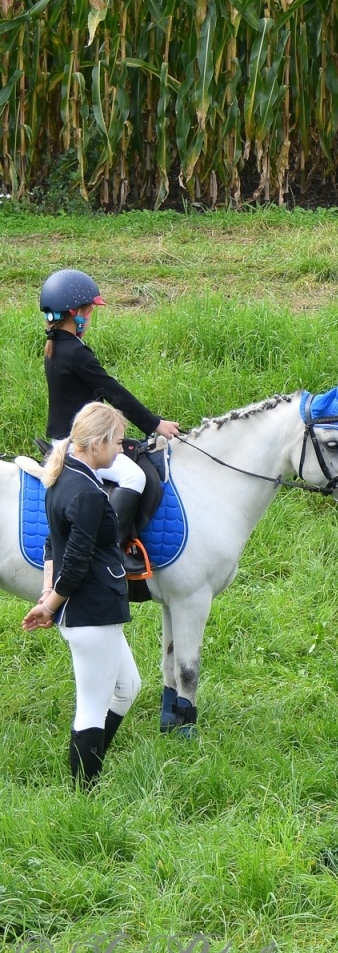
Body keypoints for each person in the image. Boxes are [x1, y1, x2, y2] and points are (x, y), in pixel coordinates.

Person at [22, 402, 142, 788]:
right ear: (97, 443)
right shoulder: (86, 491)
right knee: (91, 706)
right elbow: (74, 559)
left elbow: (52, 543)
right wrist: (49, 607)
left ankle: (89, 765)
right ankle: (83, 794)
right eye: (119, 444)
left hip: (88, 609)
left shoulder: (62, 475)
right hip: (91, 610)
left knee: (128, 688)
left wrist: (46, 595)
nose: (121, 451)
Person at [41, 268, 181, 568]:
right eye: (89, 313)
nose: (90, 319)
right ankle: (111, 549)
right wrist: (155, 424)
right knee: (135, 476)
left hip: (65, 436)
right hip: (78, 442)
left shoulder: (56, 347)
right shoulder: (76, 353)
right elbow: (113, 392)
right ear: (76, 313)